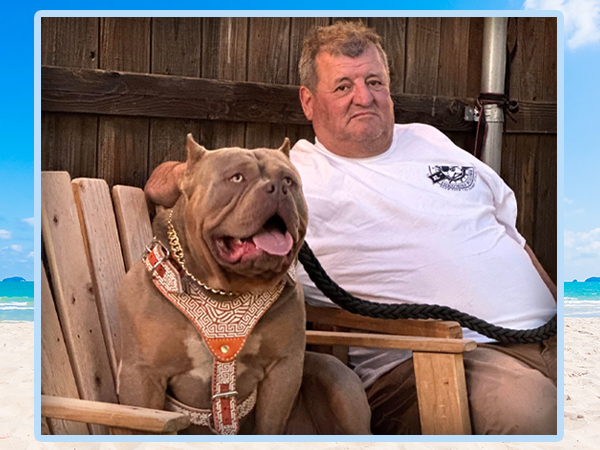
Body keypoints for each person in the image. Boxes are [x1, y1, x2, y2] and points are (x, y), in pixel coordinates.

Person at [145, 21, 557, 435]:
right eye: (343, 86)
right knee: (536, 413)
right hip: (440, 362)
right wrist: (192, 173)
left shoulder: (430, 139)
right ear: (308, 102)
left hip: (551, 336)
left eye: (374, 82)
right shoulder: (288, 179)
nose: (364, 97)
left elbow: (512, 239)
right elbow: (160, 185)